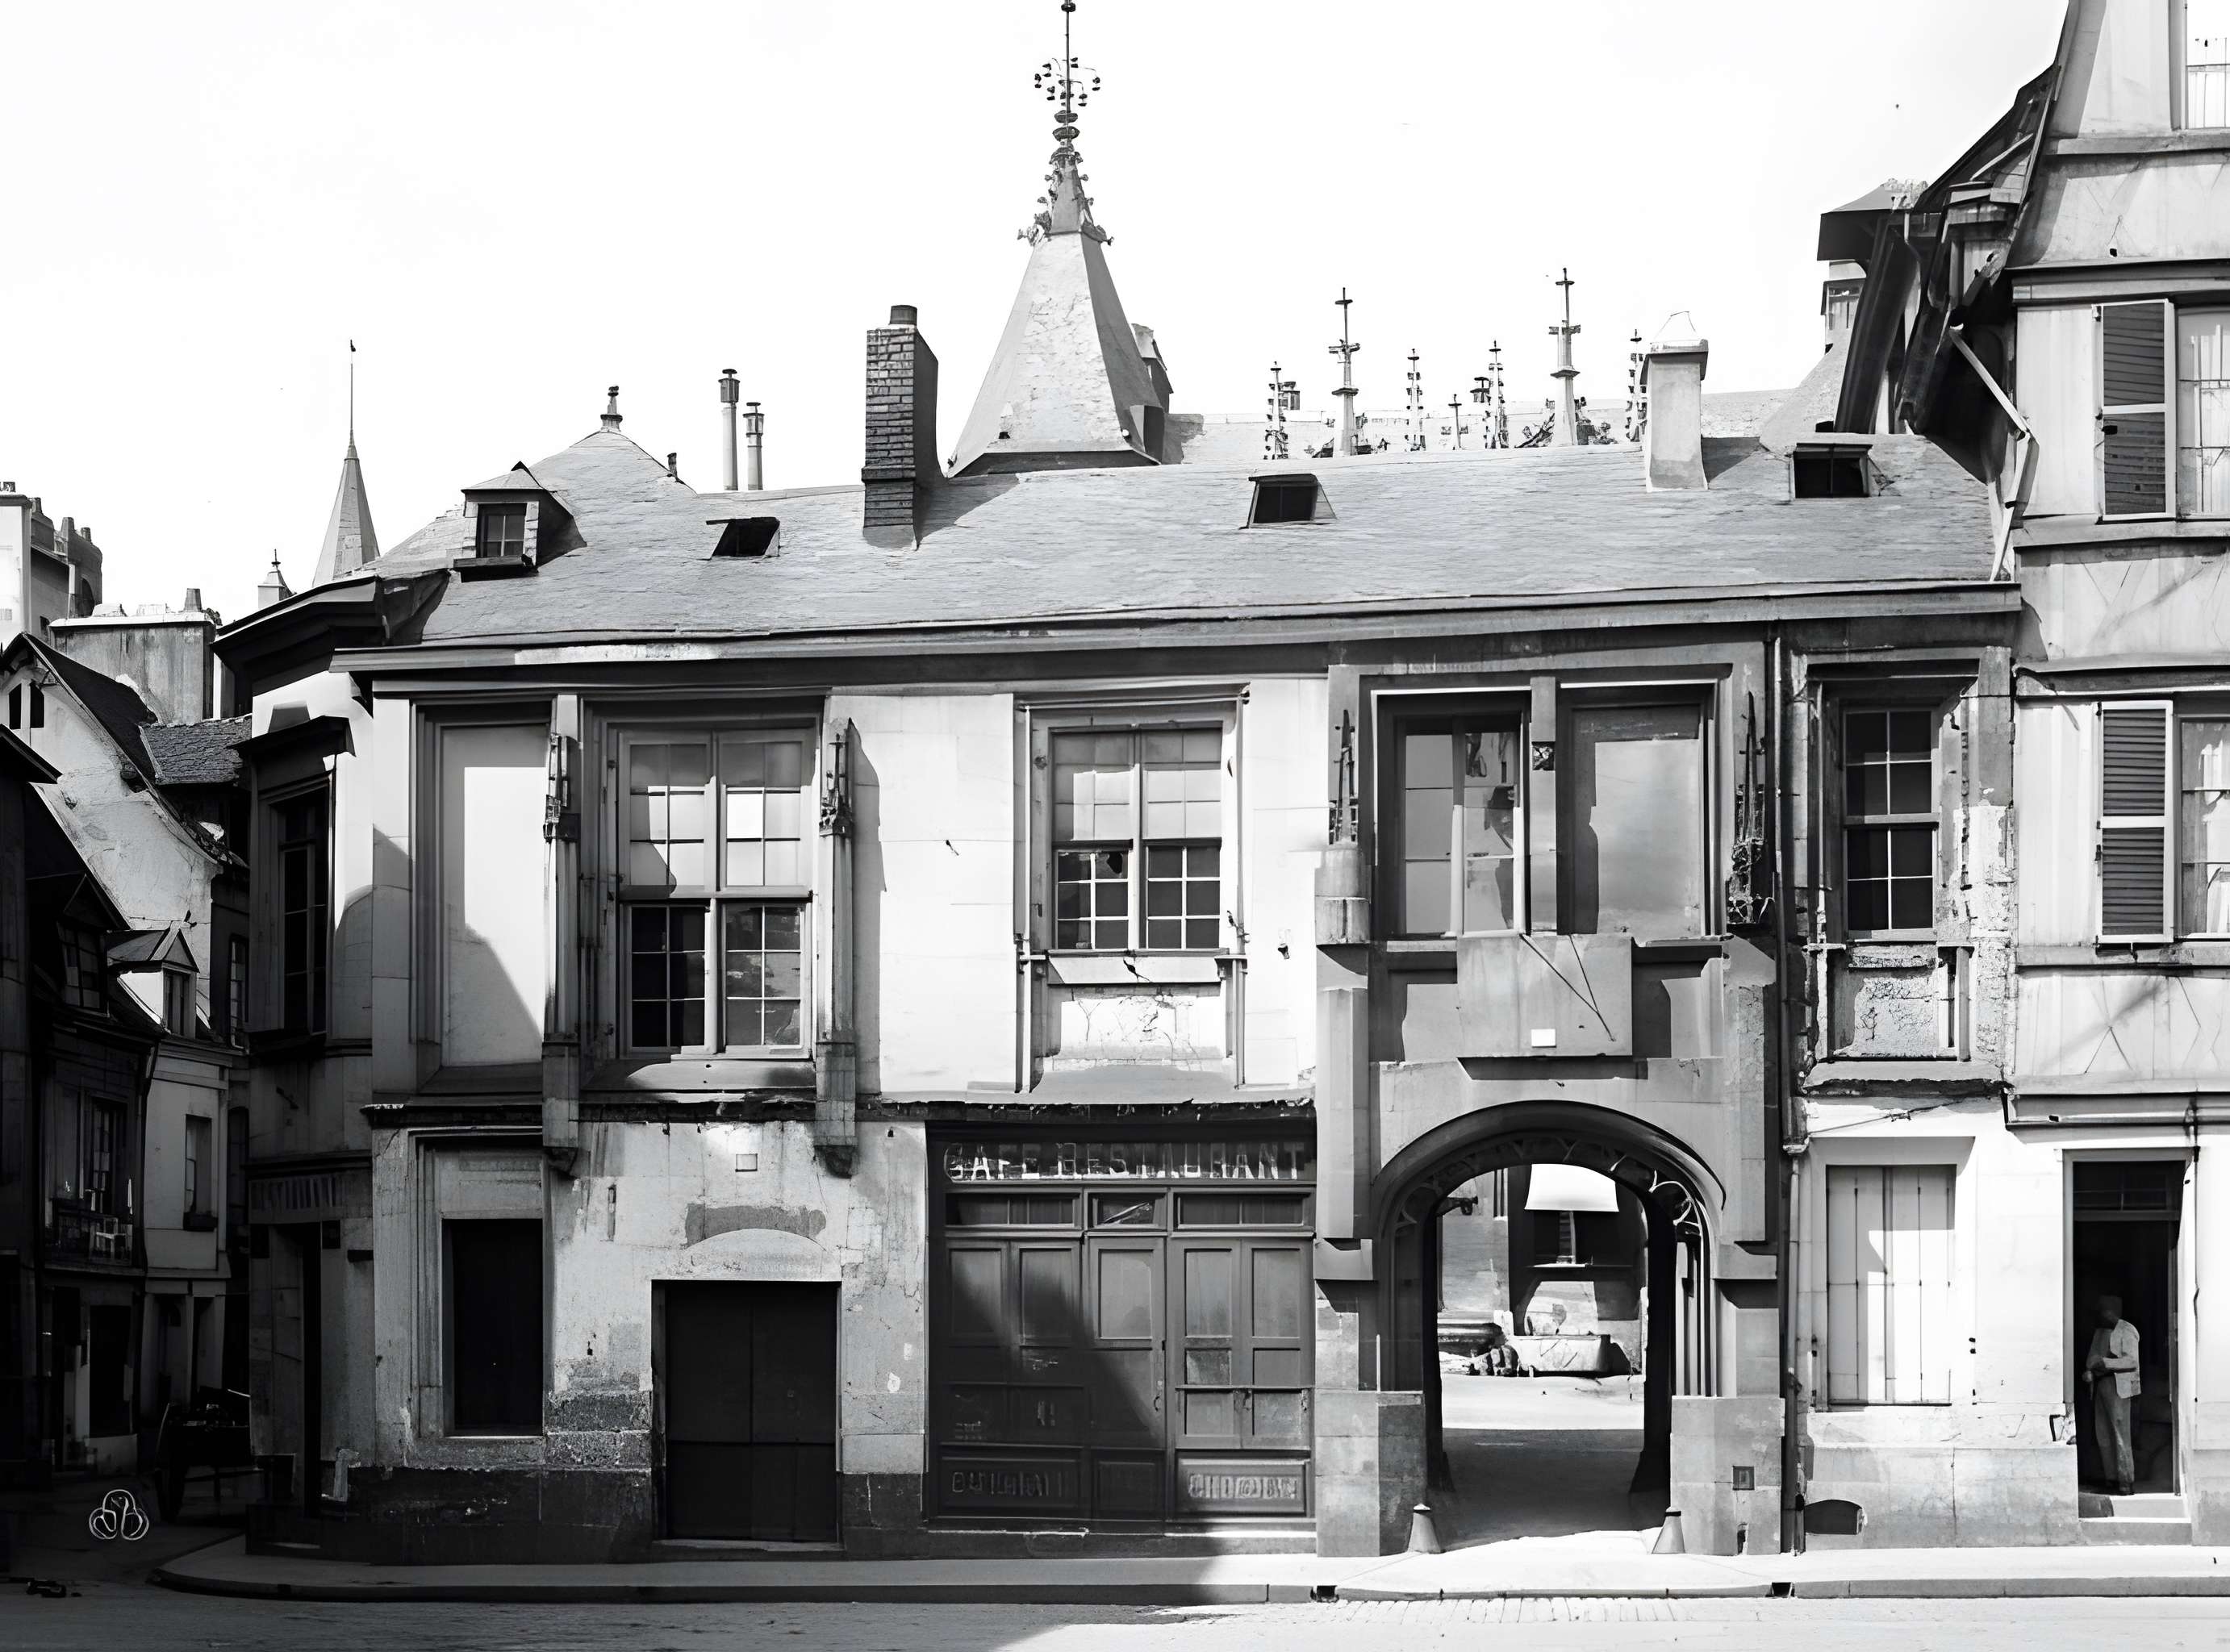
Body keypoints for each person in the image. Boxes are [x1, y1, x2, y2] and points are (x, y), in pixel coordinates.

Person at [2084, 1294, 2141, 1496]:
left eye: (2103, 1311)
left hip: (2119, 1387)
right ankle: (2110, 1479)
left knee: (2120, 1435)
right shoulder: (2100, 1332)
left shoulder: (2127, 1330)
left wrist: (2106, 1363)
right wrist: (2090, 1370)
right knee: (2103, 1434)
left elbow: (2131, 1361)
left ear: (2112, 1311)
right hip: (2101, 1386)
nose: (2101, 1315)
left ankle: (2126, 1482)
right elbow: (2092, 1358)